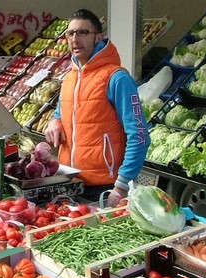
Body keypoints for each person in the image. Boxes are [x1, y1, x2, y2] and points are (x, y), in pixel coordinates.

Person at [44, 9, 150, 206]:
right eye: (71, 33)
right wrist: (55, 120)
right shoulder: (70, 77)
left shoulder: (117, 78)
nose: (75, 39)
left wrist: (121, 186)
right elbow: (62, 110)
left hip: (104, 189)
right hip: (69, 183)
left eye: (83, 32)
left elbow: (140, 135)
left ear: (98, 37)